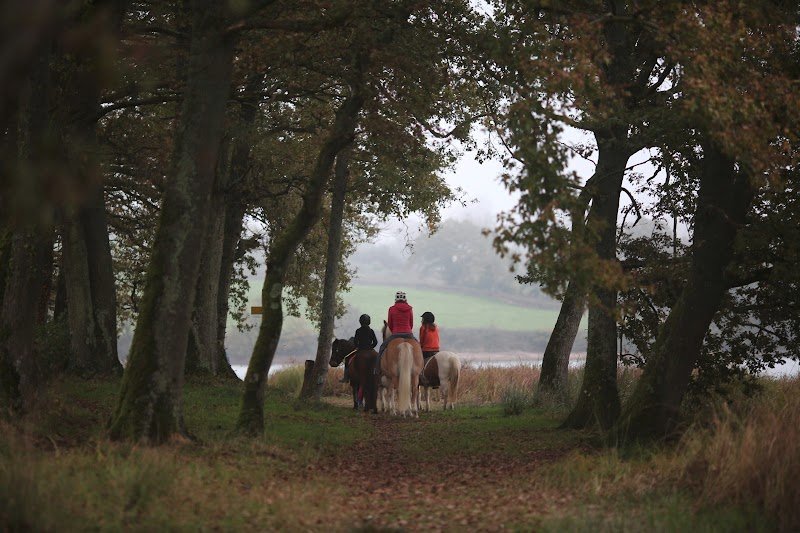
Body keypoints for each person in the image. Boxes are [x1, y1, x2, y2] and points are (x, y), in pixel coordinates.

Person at [375, 290, 415, 373]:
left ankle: (377, 369)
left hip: (396, 334)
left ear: (396, 299)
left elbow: (390, 324)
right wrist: (408, 331)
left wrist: (395, 331)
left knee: (382, 348)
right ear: (405, 299)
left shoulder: (392, 309)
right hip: (408, 334)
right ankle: (420, 371)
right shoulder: (410, 309)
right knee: (419, 348)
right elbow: (411, 324)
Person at [341, 314, 377, 382]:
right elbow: (375, 342)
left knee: (347, 359)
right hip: (370, 349)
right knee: (378, 359)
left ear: (360, 321)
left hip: (360, 350)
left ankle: (346, 377)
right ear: (369, 321)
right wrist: (370, 347)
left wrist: (358, 347)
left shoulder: (358, 331)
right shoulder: (371, 331)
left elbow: (355, 342)